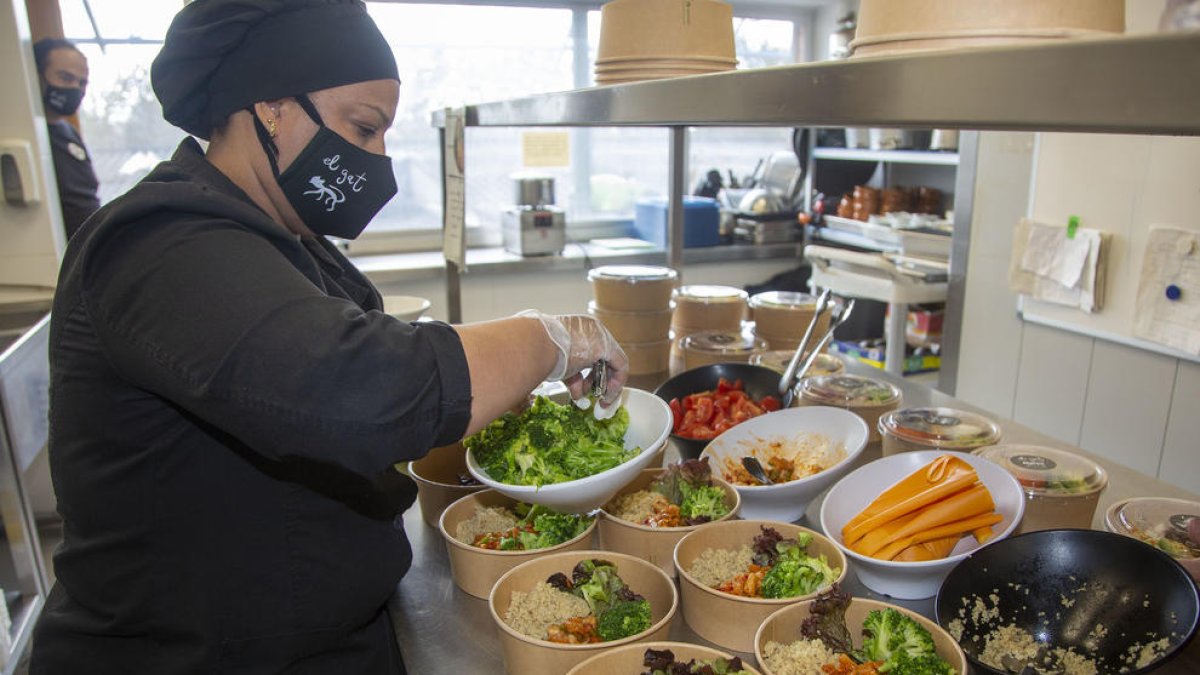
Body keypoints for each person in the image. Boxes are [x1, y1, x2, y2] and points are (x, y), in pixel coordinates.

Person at [30, 1, 627, 673]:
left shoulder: (283, 239)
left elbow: (381, 342)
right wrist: (549, 336)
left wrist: (510, 376)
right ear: (272, 105)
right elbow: (364, 386)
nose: (375, 159)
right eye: (363, 128)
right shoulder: (162, 242)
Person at [33, 38, 101, 239]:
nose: (75, 89)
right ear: (37, 77)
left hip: (88, 248)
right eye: (65, 78)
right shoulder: (33, 137)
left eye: (82, 83)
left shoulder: (70, 133)